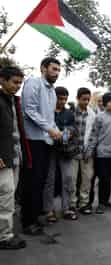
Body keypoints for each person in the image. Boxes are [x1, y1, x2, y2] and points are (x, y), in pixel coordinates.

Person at [21, 57, 62, 235]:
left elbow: (50, 118)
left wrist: (58, 131)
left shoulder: (52, 91)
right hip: (32, 140)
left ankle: (36, 216)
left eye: (58, 70)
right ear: (43, 68)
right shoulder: (33, 83)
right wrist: (49, 129)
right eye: (54, 69)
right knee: (31, 182)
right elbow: (29, 110)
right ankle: (27, 221)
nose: (57, 73)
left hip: (46, 141)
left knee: (41, 181)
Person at [0, 66, 27, 249]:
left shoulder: (12, 101)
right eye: (14, 82)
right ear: (2, 80)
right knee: (6, 196)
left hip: (14, 155)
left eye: (20, 83)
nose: (17, 86)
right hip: (3, 157)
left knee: (9, 195)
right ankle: (4, 237)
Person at [43, 87, 78, 222]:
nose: (62, 101)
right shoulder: (47, 112)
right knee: (49, 179)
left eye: (65, 99)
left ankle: (67, 208)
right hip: (50, 149)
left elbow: (74, 128)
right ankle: (49, 210)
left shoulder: (69, 113)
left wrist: (69, 131)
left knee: (68, 178)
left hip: (66, 151)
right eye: (60, 98)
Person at [71, 88, 96, 214]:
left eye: (88, 99)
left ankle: (84, 204)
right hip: (73, 152)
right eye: (83, 99)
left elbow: (93, 134)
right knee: (72, 179)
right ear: (78, 98)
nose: (86, 102)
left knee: (86, 179)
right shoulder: (71, 112)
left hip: (86, 152)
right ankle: (71, 204)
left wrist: (89, 150)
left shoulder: (92, 114)